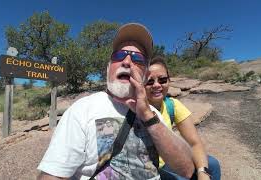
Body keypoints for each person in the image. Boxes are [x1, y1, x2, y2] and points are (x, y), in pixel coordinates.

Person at [37, 23, 195, 179]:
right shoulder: (82, 110)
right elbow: (52, 175)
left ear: (145, 75)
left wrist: (147, 116)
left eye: (137, 58)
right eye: (119, 56)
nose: (126, 62)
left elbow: (186, 169)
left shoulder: (152, 114)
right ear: (108, 69)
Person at [144, 56, 221, 180]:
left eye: (162, 80)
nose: (157, 85)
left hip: (170, 160)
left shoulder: (172, 105)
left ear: (169, 81)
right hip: (149, 167)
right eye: (149, 81)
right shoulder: (134, 109)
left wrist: (203, 172)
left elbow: (194, 142)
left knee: (212, 164)